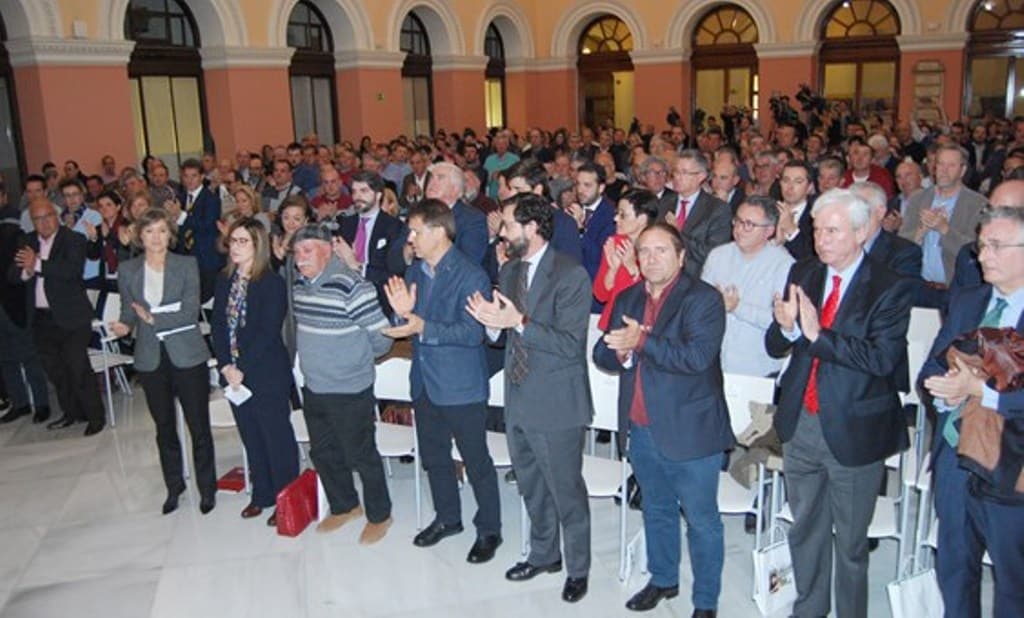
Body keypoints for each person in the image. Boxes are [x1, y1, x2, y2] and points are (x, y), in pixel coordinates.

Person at [766, 189, 913, 618]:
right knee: (805, 530)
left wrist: (817, 336)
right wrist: (789, 329)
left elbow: (882, 359)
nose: (820, 239)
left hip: (854, 427)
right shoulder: (804, 272)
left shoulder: (889, 286)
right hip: (802, 423)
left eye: (832, 230)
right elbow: (776, 343)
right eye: (816, 229)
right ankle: (809, 609)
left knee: (850, 543)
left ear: (862, 231)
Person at [594, 222, 732, 617]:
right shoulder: (628, 296)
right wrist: (620, 352)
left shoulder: (703, 299)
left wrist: (640, 341)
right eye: (645, 252)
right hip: (641, 425)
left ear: (681, 256)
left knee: (703, 521)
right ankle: (663, 578)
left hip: (691, 430)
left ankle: (706, 602)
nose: (651, 259)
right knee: (656, 508)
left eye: (661, 251)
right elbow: (601, 353)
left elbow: (696, 358)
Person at [466, 193, 592, 604]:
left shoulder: (571, 274)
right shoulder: (512, 269)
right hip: (519, 396)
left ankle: (578, 569)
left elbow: (570, 345)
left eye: (507, 225)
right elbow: (506, 334)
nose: (501, 232)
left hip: (557, 401)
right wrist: (490, 322)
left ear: (532, 228)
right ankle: (544, 554)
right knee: (532, 486)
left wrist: (517, 321)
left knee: (566, 492)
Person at [381, 199, 501, 563]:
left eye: (416, 231)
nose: (410, 238)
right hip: (425, 382)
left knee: (475, 459)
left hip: (460, 383)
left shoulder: (471, 275)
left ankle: (489, 529)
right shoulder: (416, 272)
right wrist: (403, 314)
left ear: (438, 231)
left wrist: (422, 327)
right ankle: (448, 518)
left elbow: (472, 333)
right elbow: (409, 317)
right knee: (434, 457)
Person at [921, 206, 1024, 618]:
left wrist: (981, 392)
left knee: (1013, 582)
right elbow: (931, 366)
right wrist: (946, 393)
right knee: (955, 568)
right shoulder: (967, 299)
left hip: (1012, 464)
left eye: (996, 246)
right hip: (954, 455)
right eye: (982, 245)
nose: (983, 256)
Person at [291, 224, 393, 544]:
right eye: (296, 253)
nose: (299, 259)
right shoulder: (299, 284)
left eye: (307, 251)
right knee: (323, 452)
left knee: (361, 454)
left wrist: (354, 361)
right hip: (315, 386)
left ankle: (380, 514)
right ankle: (344, 505)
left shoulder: (353, 286)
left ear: (327, 249)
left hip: (350, 387)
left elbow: (382, 339)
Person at [110, 207, 216, 514]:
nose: (156, 237)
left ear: (170, 235)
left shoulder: (186, 264)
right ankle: (174, 486)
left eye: (161, 231)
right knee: (164, 427)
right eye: (149, 231)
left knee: (199, 426)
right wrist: (126, 326)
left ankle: (207, 488)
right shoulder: (129, 270)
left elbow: (189, 311)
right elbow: (130, 312)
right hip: (149, 357)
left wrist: (153, 319)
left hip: (187, 353)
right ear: (139, 237)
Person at [211, 218, 299, 526]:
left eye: (243, 241)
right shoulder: (225, 279)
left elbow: (267, 332)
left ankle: (284, 496)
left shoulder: (271, 283)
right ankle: (261, 494)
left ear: (257, 245)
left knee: (276, 437)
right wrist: (225, 365)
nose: (235, 247)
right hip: (234, 373)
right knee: (251, 435)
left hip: (265, 372)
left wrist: (241, 368)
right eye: (233, 241)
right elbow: (219, 327)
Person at [13, 199, 104, 435]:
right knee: (56, 370)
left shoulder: (73, 239)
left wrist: (39, 264)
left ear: (56, 216)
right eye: (37, 219)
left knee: (77, 366)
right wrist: (27, 270)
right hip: (41, 318)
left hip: (72, 317)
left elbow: (70, 271)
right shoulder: (27, 241)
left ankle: (95, 416)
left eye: (47, 216)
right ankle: (71, 413)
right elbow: (13, 275)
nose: (43, 223)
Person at [701, 196, 794, 377]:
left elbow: (780, 323)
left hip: (759, 369)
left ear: (769, 230)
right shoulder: (718, 255)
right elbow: (700, 303)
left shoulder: (784, 264)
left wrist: (737, 307)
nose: (739, 229)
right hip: (714, 364)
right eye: (737, 221)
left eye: (749, 224)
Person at [0, 191, 51, 425]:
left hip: (15, 302)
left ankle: (41, 403)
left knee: (29, 356)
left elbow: (20, 268)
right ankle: (19, 403)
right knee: (6, 358)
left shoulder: (14, 233)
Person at [334, 171, 404, 316]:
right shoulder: (346, 224)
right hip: (346, 298)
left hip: (378, 300)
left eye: (364, 191)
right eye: (354, 191)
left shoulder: (394, 227)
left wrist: (357, 266)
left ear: (378, 195)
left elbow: (395, 274)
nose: (357, 197)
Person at [593, 188, 658, 330]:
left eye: (623, 215)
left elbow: (655, 297)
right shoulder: (615, 243)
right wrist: (613, 270)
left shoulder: (658, 248)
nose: (616, 219)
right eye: (617, 213)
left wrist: (632, 269)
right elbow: (600, 295)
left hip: (642, 327)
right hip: (613, 323)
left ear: (641, 219)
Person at [664, 150, 731, 277]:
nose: (677, 177)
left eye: (684, 172)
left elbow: (713, 255)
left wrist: (679, 233)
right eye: (676, 171)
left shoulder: (717, 209)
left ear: (701, 176)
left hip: (697, 280)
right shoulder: (665, 203)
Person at [172, 158, 224, 302]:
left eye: (193, 176)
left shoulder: (211, 199)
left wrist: (181, 215)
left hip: (206, 258)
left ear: (202, 177)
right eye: (186, 176)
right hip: (186, 258)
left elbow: (207, 225)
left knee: (208, 300)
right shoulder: (180, 199)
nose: (189, 180)